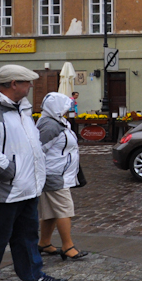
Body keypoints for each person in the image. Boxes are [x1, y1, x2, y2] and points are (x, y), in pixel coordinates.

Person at [0, 65, 67, 281]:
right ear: (13, 84)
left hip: (26, 187)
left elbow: (30, 145)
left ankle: (31, 277)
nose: (31, 86)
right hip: (2, 190)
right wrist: (10, 173)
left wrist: (31, 176)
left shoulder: (21, 108)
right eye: (27, 82)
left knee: (26, 236)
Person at [37, 92, 88, 261]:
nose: (68, 110)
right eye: (65, 107)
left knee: (50, 211)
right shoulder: (50, 126)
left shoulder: (57, 122)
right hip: (54, 175)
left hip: (57, 173)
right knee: (64, 210)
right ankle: (68, 246)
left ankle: (44, 242)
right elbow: (38, 150)